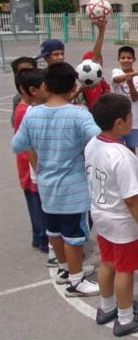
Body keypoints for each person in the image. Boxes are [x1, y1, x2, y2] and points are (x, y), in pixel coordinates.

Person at [12, 62, 100, 297]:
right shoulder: (78, 115)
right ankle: (76, 280)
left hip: (46, 184)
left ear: (46, 84)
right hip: (73, 186)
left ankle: (65, 269)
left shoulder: (33, 114)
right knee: (74, 235)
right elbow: (99, 140)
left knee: (54, 231)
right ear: (73, 87)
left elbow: (17, 144)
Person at [86, 94, 138, 336]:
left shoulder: (92, 144)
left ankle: (107, 307)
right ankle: (126, 318)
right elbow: (131, 199)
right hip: (122, 222)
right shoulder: (122, 156)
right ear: (119, 122)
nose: (131, 120)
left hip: (102, 215)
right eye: (129, 117)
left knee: (107, 263)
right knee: (125, 269)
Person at [13, 69, 48, 254]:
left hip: (34, 169)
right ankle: (44, 241)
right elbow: (27, 145)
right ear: (33, 90)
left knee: (38, 205)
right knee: (39, 207)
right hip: (34, 170)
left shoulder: (27, 109)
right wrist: (39, 171)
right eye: (45, 85)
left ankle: (39, 238)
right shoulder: (26, 112)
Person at [112, 46, 138, 154]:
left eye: (129, 58)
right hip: (118, 119)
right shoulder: (116, 71)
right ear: (118, 59)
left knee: (132, 149)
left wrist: (130, 82)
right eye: (123, 58)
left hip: (133, 120)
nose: (126, 60)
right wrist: (134, 73)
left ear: (134, 59)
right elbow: (116, 79)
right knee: (118, 148)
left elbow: (135, 97)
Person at [79, 20, 110, 110]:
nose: (100, 60)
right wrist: (101, 32)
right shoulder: (91, 82)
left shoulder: (99, 79)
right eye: (97, 59)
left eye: (101, 57)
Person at [10, 56, 37, 123]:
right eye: (22, 72)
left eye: (30, 72)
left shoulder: (45, 94)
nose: (26, 75)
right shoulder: (18, 99)